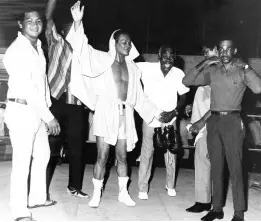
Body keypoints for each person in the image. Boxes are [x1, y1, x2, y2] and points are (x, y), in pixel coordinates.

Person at [67, 1, 171, 208]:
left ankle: (123, 193)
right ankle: (97, 194)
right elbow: (82, 50)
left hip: (126, 114)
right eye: (123, 42)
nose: (127, 45)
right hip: (106, 112)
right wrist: (77, 23)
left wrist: (159, 114)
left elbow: (140, 97)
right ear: (113, 43)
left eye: (129, 42)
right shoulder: (102, 60)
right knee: (102, 156)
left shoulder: (134, 69)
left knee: (123, 156)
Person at [183, 39, 261, 221]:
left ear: (234, 50)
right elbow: (187, 81)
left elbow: (258, 88)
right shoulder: (213, 70)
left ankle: (239, 212)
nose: (225, 52)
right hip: (214, 121)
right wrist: (206, 62)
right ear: (218, 51)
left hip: (233, 121)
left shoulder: (241, 70)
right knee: (216, 167)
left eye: (228, 49)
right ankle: (216, 209)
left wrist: (247, 66)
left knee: (235, 168)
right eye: (221, 49)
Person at [3, 9, 60, 221]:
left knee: (43, 154)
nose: (35, 25)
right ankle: (19, 211)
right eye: (30, 21)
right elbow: (28, 88)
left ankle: (37, 197)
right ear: (21, 24)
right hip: (21, 111)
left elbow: (42, 84)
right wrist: (49, 117)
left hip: (36, 111)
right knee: (22, 161)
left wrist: (46, 110)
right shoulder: (17, 50)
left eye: (38, 21)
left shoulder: (37, 48)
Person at [45, 0, 89, 199]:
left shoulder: (83, 50)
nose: (74, 30)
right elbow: (47, 19)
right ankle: (41, 188)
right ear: (61, 32)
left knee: (77, 148)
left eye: (77, 27)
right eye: (70, 27)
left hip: (76, 105)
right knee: (49, 147)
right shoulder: (56, 42)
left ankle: (74, 186)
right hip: (56, 101)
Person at [136, 45, 189, 200]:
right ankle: (142, 188)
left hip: (169, 119)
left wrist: (174, 112)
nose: (168, 60)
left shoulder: (179, 73)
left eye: (171, 56)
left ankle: (170, 185)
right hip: (151, 118)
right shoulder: (146, 68)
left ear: (175, 57)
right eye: (165, 56)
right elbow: (128, 65)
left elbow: (184, 96)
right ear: (159, 56)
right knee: (147, 153)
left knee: (170, 153)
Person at [185, 44, 218, 213]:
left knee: (209, 161)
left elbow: (222, 102)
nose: (205, 54)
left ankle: (208, 202)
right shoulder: (210, 70)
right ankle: (203, 201)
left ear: (218, 49)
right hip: (206, 123)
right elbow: (187, 81)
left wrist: (201, 122)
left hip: (215, 122)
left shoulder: (225, 71)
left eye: (208, 51)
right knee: (203, 159)